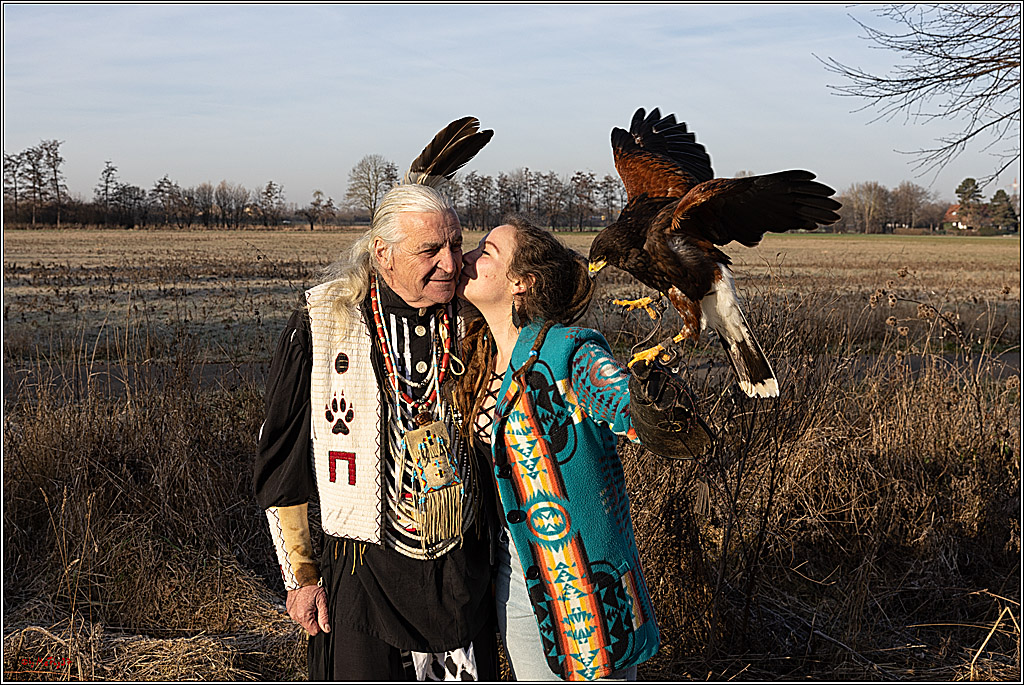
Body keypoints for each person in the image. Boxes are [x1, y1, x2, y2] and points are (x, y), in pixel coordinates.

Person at [253, 182, 498, 681]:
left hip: (460, 573)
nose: (451, 263)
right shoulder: (323, 322)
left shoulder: (480, 317)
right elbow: (284, 462)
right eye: (429, 250)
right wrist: (300, 576)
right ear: (382, 252)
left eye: (455, 243)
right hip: (365, 570)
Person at [453, 216, 709, 681]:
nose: (469, 257)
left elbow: (623, 404)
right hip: (516, 588)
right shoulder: (478, 359)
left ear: (521, 283)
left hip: (589, 591)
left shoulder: (570, 351)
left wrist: (652, 403)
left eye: (485, 252)